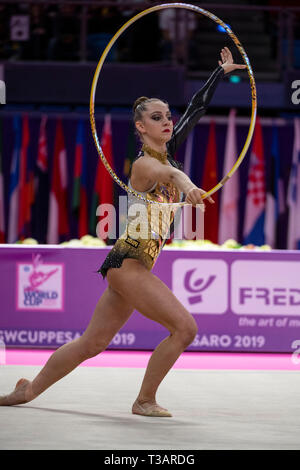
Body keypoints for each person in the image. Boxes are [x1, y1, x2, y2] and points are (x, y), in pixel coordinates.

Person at [0, 48, 246, 416]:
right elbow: (173, 176)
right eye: (156, 117)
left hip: (130, 265)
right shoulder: (146, 165)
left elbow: (195, 109)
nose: (167, 121)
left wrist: (219, 73)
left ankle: (28, 389)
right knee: (184, 328)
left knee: (92, 342)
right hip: (128, 263)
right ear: (140, 127)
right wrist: (190, 185)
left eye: (168, 116)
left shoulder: (168, 152)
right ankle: (144, 400)